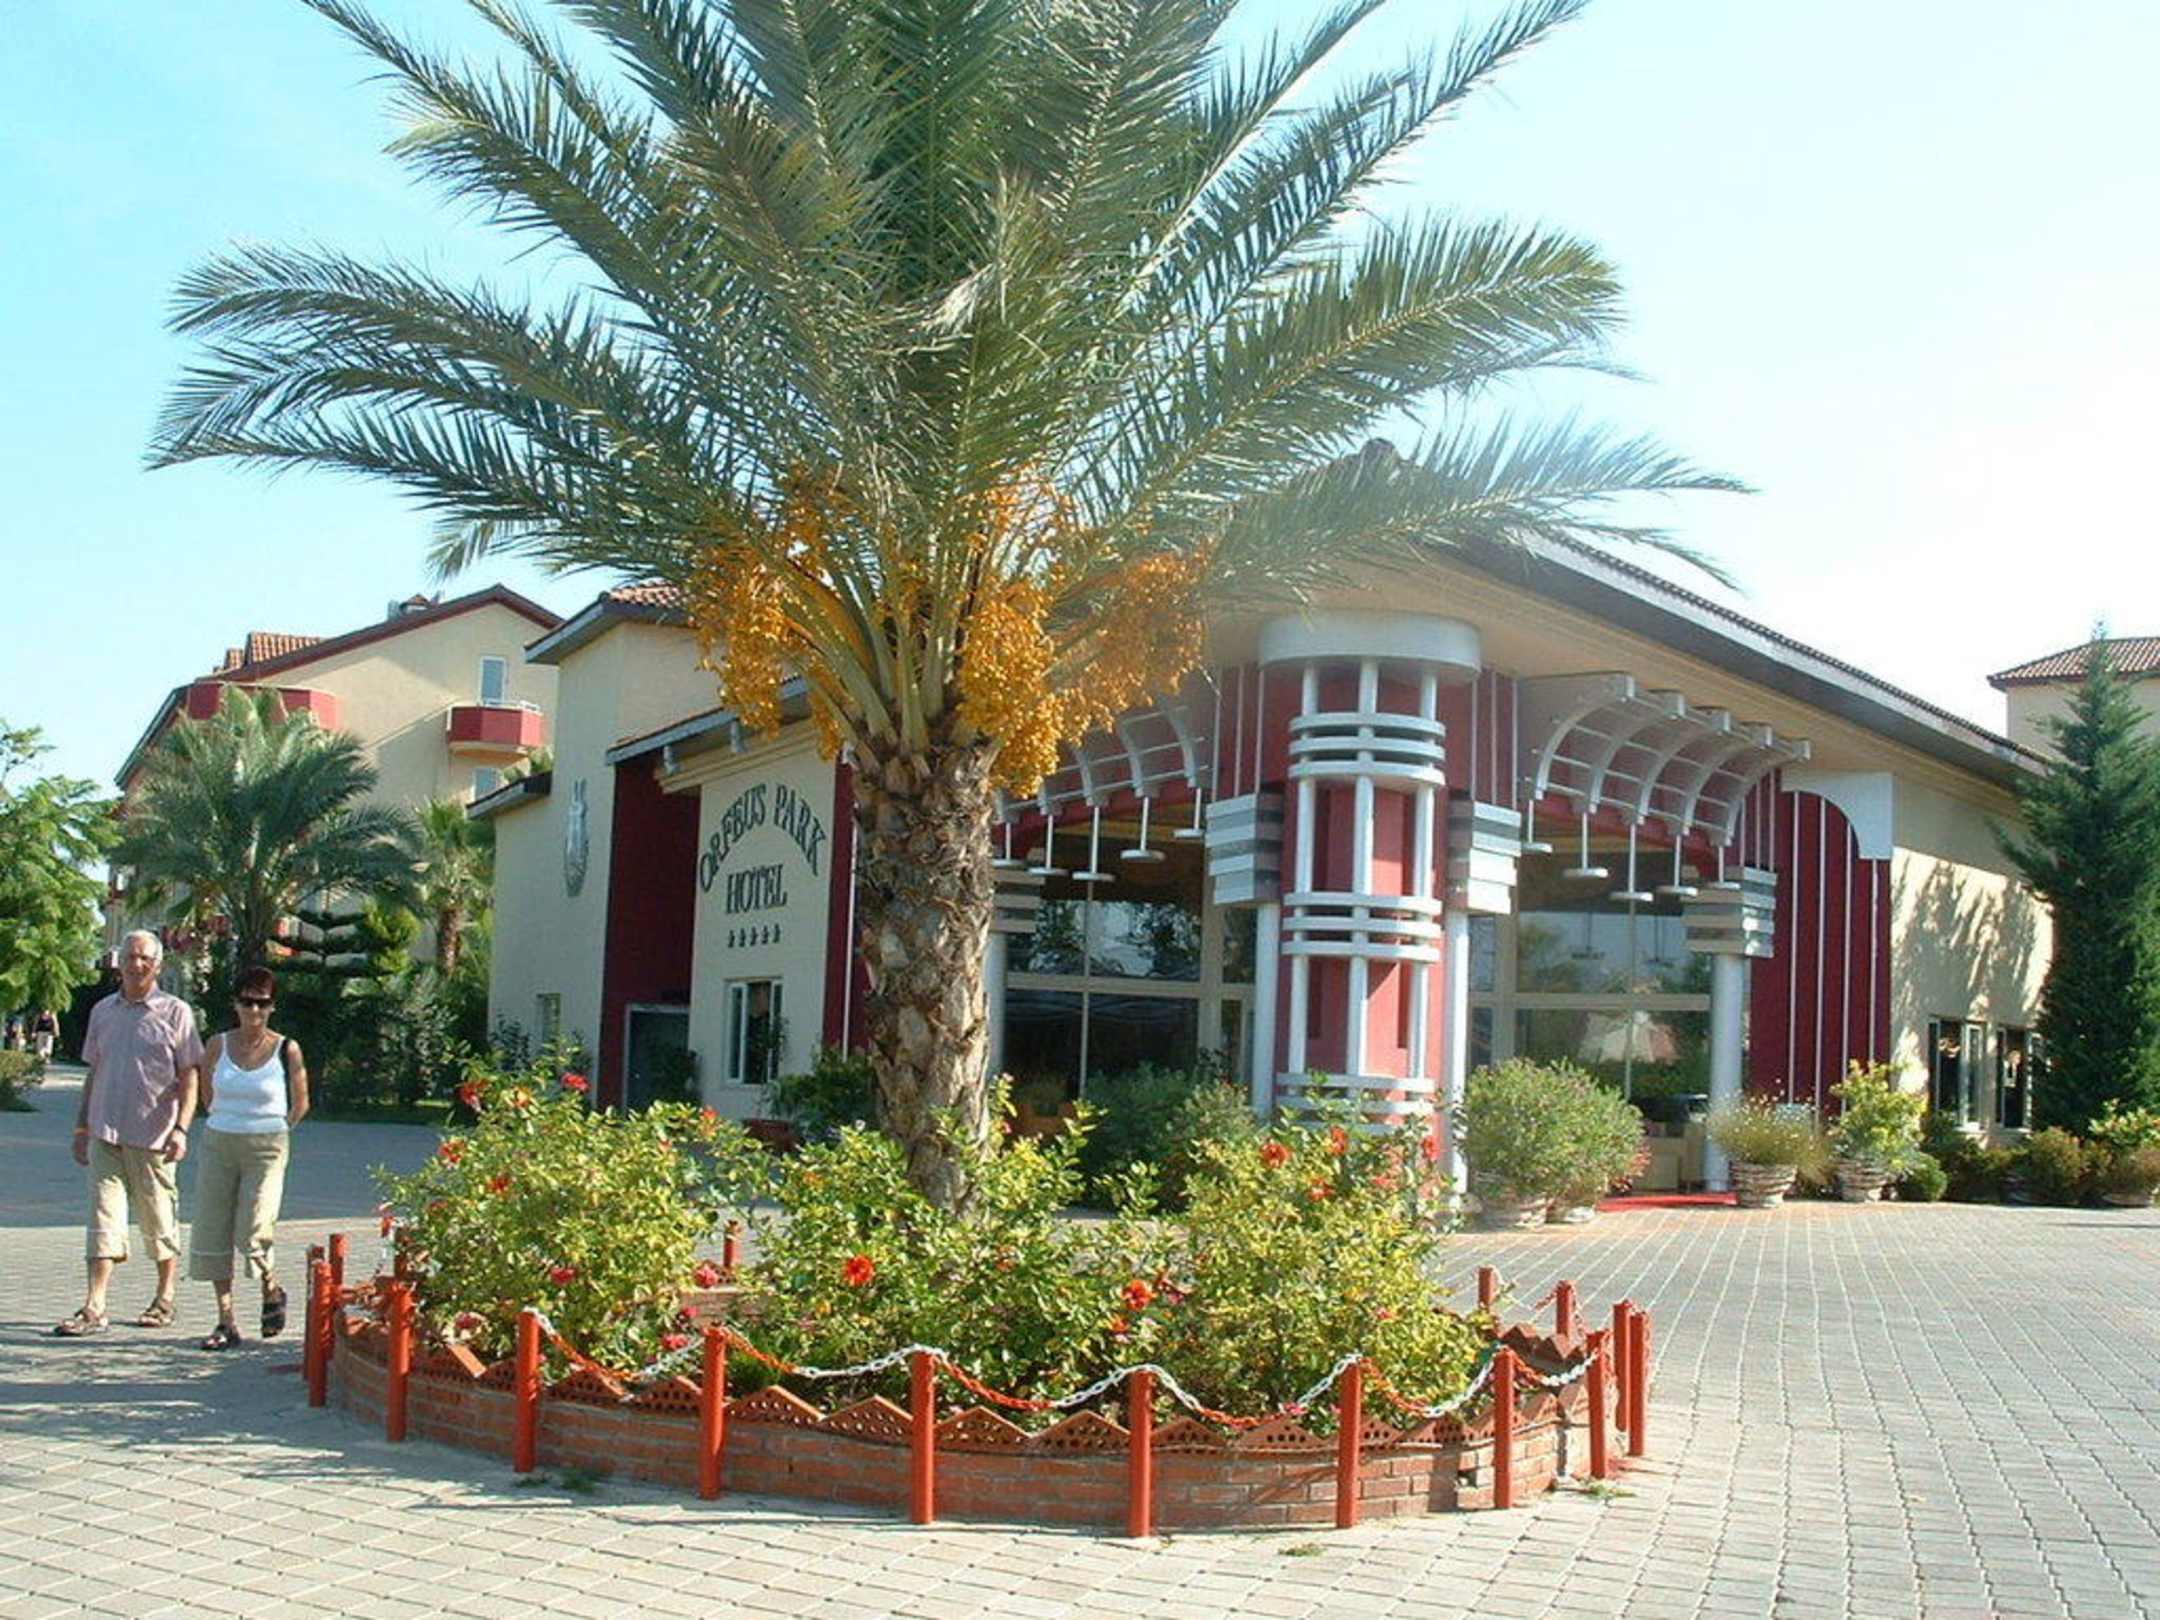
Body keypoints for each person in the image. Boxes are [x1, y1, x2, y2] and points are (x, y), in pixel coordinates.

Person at [56, 930, 203, 1336]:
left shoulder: (175, 1012)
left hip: (154, 1137)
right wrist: (81, 1126)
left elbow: (190, 1076)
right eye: (129, 957)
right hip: (105, 1133)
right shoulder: (103, 1011)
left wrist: (182, 1128)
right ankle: (94, 1305)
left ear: (158, 965)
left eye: (144, 958)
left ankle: (165, 1296)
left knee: (158, 1220)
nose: (136, 964)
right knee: (103, 1218)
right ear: (118, 963)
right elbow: (94, 1071)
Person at [188, 966, 309, 1349]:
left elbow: (301, 1102)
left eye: (262, 1003)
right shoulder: (217, 1045)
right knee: (214, 1228)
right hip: (219, 1142)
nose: (254, 1011)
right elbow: (208, 1095)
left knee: (255, 1227)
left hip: (267, 1145)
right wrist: (227, 1118)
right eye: (247, 1002)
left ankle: (271, 1288)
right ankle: (226, 1320)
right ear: (235, 1004)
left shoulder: (286, 1048)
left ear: (272, 1007)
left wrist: (278, 1128)